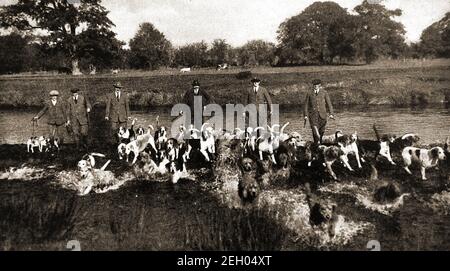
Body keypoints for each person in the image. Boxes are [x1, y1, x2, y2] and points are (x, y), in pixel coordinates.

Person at [303, 79, 335, 145]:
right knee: (315, 131)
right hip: (313, 116)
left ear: (319, 85)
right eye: (314, 85)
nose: (315, 86)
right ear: (313, 85)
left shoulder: (324, 92)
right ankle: (316, 143)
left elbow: (329, 104)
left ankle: (320, 144)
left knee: (321, 131)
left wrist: (331, 114)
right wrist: (305, 115)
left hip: (323, 115)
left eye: (317, 85)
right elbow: (305, 106)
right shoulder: (309, 93)